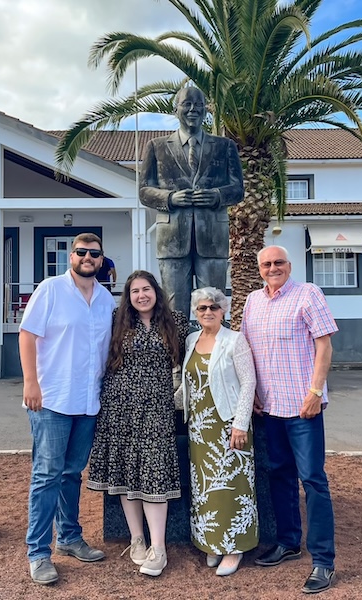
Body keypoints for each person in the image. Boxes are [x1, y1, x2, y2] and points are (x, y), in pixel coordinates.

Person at [19, 232, 116, 586]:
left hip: (88, 401)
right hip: (51, 399)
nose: (87, 257)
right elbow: (27, 334)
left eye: (94, 253)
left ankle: (70, 538)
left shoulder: (105, 299)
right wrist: (31, 382)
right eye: (81, 252)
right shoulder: (50, 289)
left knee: (72, 474)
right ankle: (38, 553)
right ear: (70, 256)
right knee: (46, 476)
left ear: (101, 260)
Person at [241, 245, 339, 594]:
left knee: (313, 480)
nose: (272, 268)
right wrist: (251, 393)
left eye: (278, 262)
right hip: (270, 408)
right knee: (279, 474)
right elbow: (246, 349)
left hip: (302, 407)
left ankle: (323, 562)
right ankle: (287, 542)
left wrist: (315, 391)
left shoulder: (307, 294)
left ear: (289, 265)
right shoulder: (253, 301)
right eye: (266, 264)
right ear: (259, 269)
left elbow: (324, 346)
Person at [87, 270, 189, 577]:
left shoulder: (177, 322)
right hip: (119, 407)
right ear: (128, 297)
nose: (141, 295)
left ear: (156, 292)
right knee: (126, 472)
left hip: (157, 410)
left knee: (154, 473)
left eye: (146, 289)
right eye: (135, 291)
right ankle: (137, 539)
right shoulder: (117, 319)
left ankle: (158, 548)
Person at [139, 86, 244, 318]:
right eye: (187, 104)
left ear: (206, 110)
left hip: (213, 239)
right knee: (174, 310)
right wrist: (170, 198)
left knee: (213, 306)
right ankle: (176, 354)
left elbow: (238, 190)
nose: (193, 109)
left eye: (198, 104)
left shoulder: (225, 146)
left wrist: (217, 195)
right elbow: (144, 191)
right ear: (175, 109)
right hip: (172, 240)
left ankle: (213, 353)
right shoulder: (156, 147)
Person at [180, 287, 258, 576]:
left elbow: (248, 382)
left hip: (227, 424)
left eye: (213, 307)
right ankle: (212, 542)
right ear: (195, 313)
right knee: (205, 487)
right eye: (202, 308)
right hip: (199, 428)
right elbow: (188, 381)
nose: (208, 312)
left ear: (223, 311)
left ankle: (234, 547)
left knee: (233, 486)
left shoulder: (235, 340)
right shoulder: (191, 340)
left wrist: (240, 424)